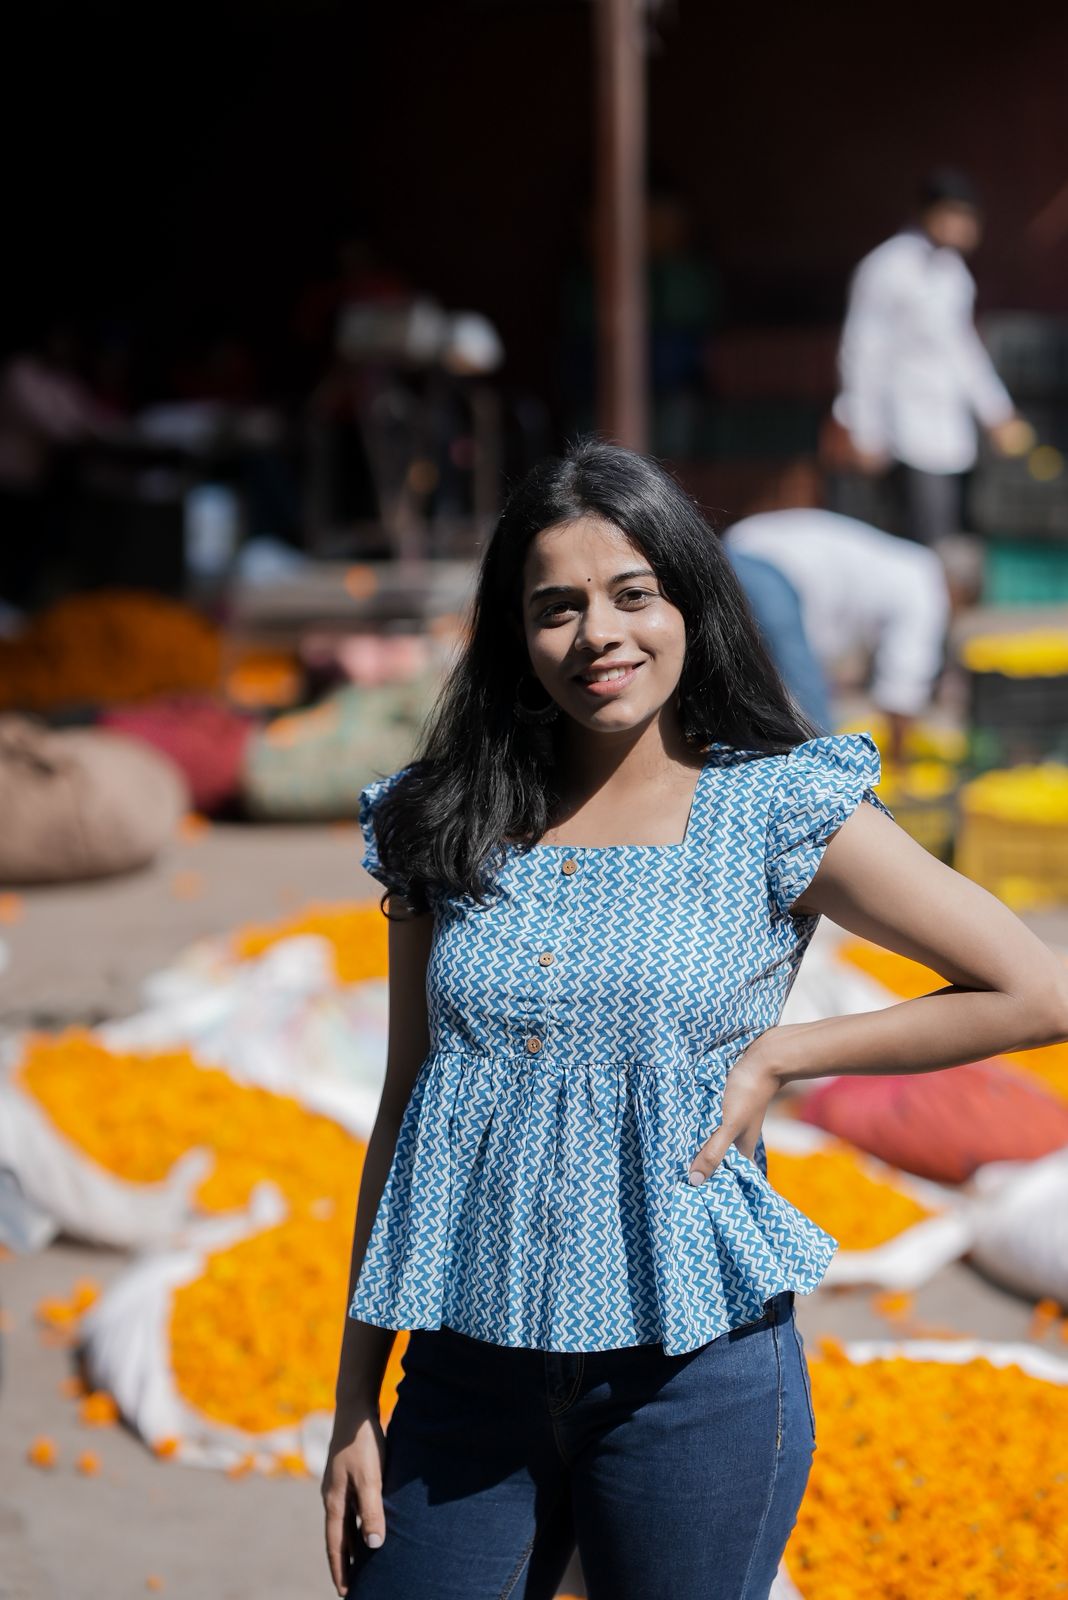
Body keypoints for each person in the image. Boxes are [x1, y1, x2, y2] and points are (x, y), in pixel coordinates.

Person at [321, 440, 1068, 1600]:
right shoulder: (447, 818)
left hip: (692, 1380)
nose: (599, 636)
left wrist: (791, 1052)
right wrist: (353, 1396)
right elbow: (406, 1102)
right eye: (555, 607)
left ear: (689, 600)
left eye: (633, 594)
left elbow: (1037, 989)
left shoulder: (775, 804)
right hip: (467, 1375)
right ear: (516, 634)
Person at [832, 168, 1023, 545]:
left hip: (947, 426)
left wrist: (996, 410)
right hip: (901, 427)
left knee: (947, 536)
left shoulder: (954, 274)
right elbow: (862, 350)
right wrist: (863, 426)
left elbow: (963, 350)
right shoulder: (887, 267)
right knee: (917, 539)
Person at [724, 506, 952, 763]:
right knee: (811, 711)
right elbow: (904, 684)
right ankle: (821, 780)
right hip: (768, 563)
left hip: (739, 546)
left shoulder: (901, 562)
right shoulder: (926, 586)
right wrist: (899, 760)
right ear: (961, 591)